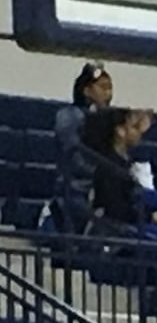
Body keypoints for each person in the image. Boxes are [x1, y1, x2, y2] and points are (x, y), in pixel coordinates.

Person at [54, 61, 114, 232]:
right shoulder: (69, 117)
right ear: (87, 90)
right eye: (103, 87)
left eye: (110, 88)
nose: (108, 93)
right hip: (75, 192)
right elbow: (73, 158)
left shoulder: (106, 120)